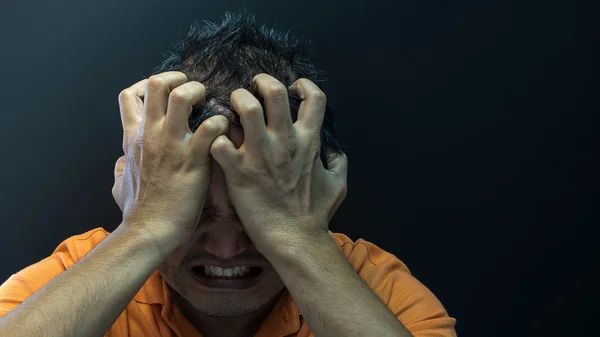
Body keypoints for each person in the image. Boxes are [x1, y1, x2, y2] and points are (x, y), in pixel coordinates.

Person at [0, 10, 457, 337]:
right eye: (192, 209)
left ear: (313, 191)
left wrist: (298, 238)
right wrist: (143, 228)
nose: (225, 248)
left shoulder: (377, 289)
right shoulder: (69, 277)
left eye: (258, 209)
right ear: (138, 187)